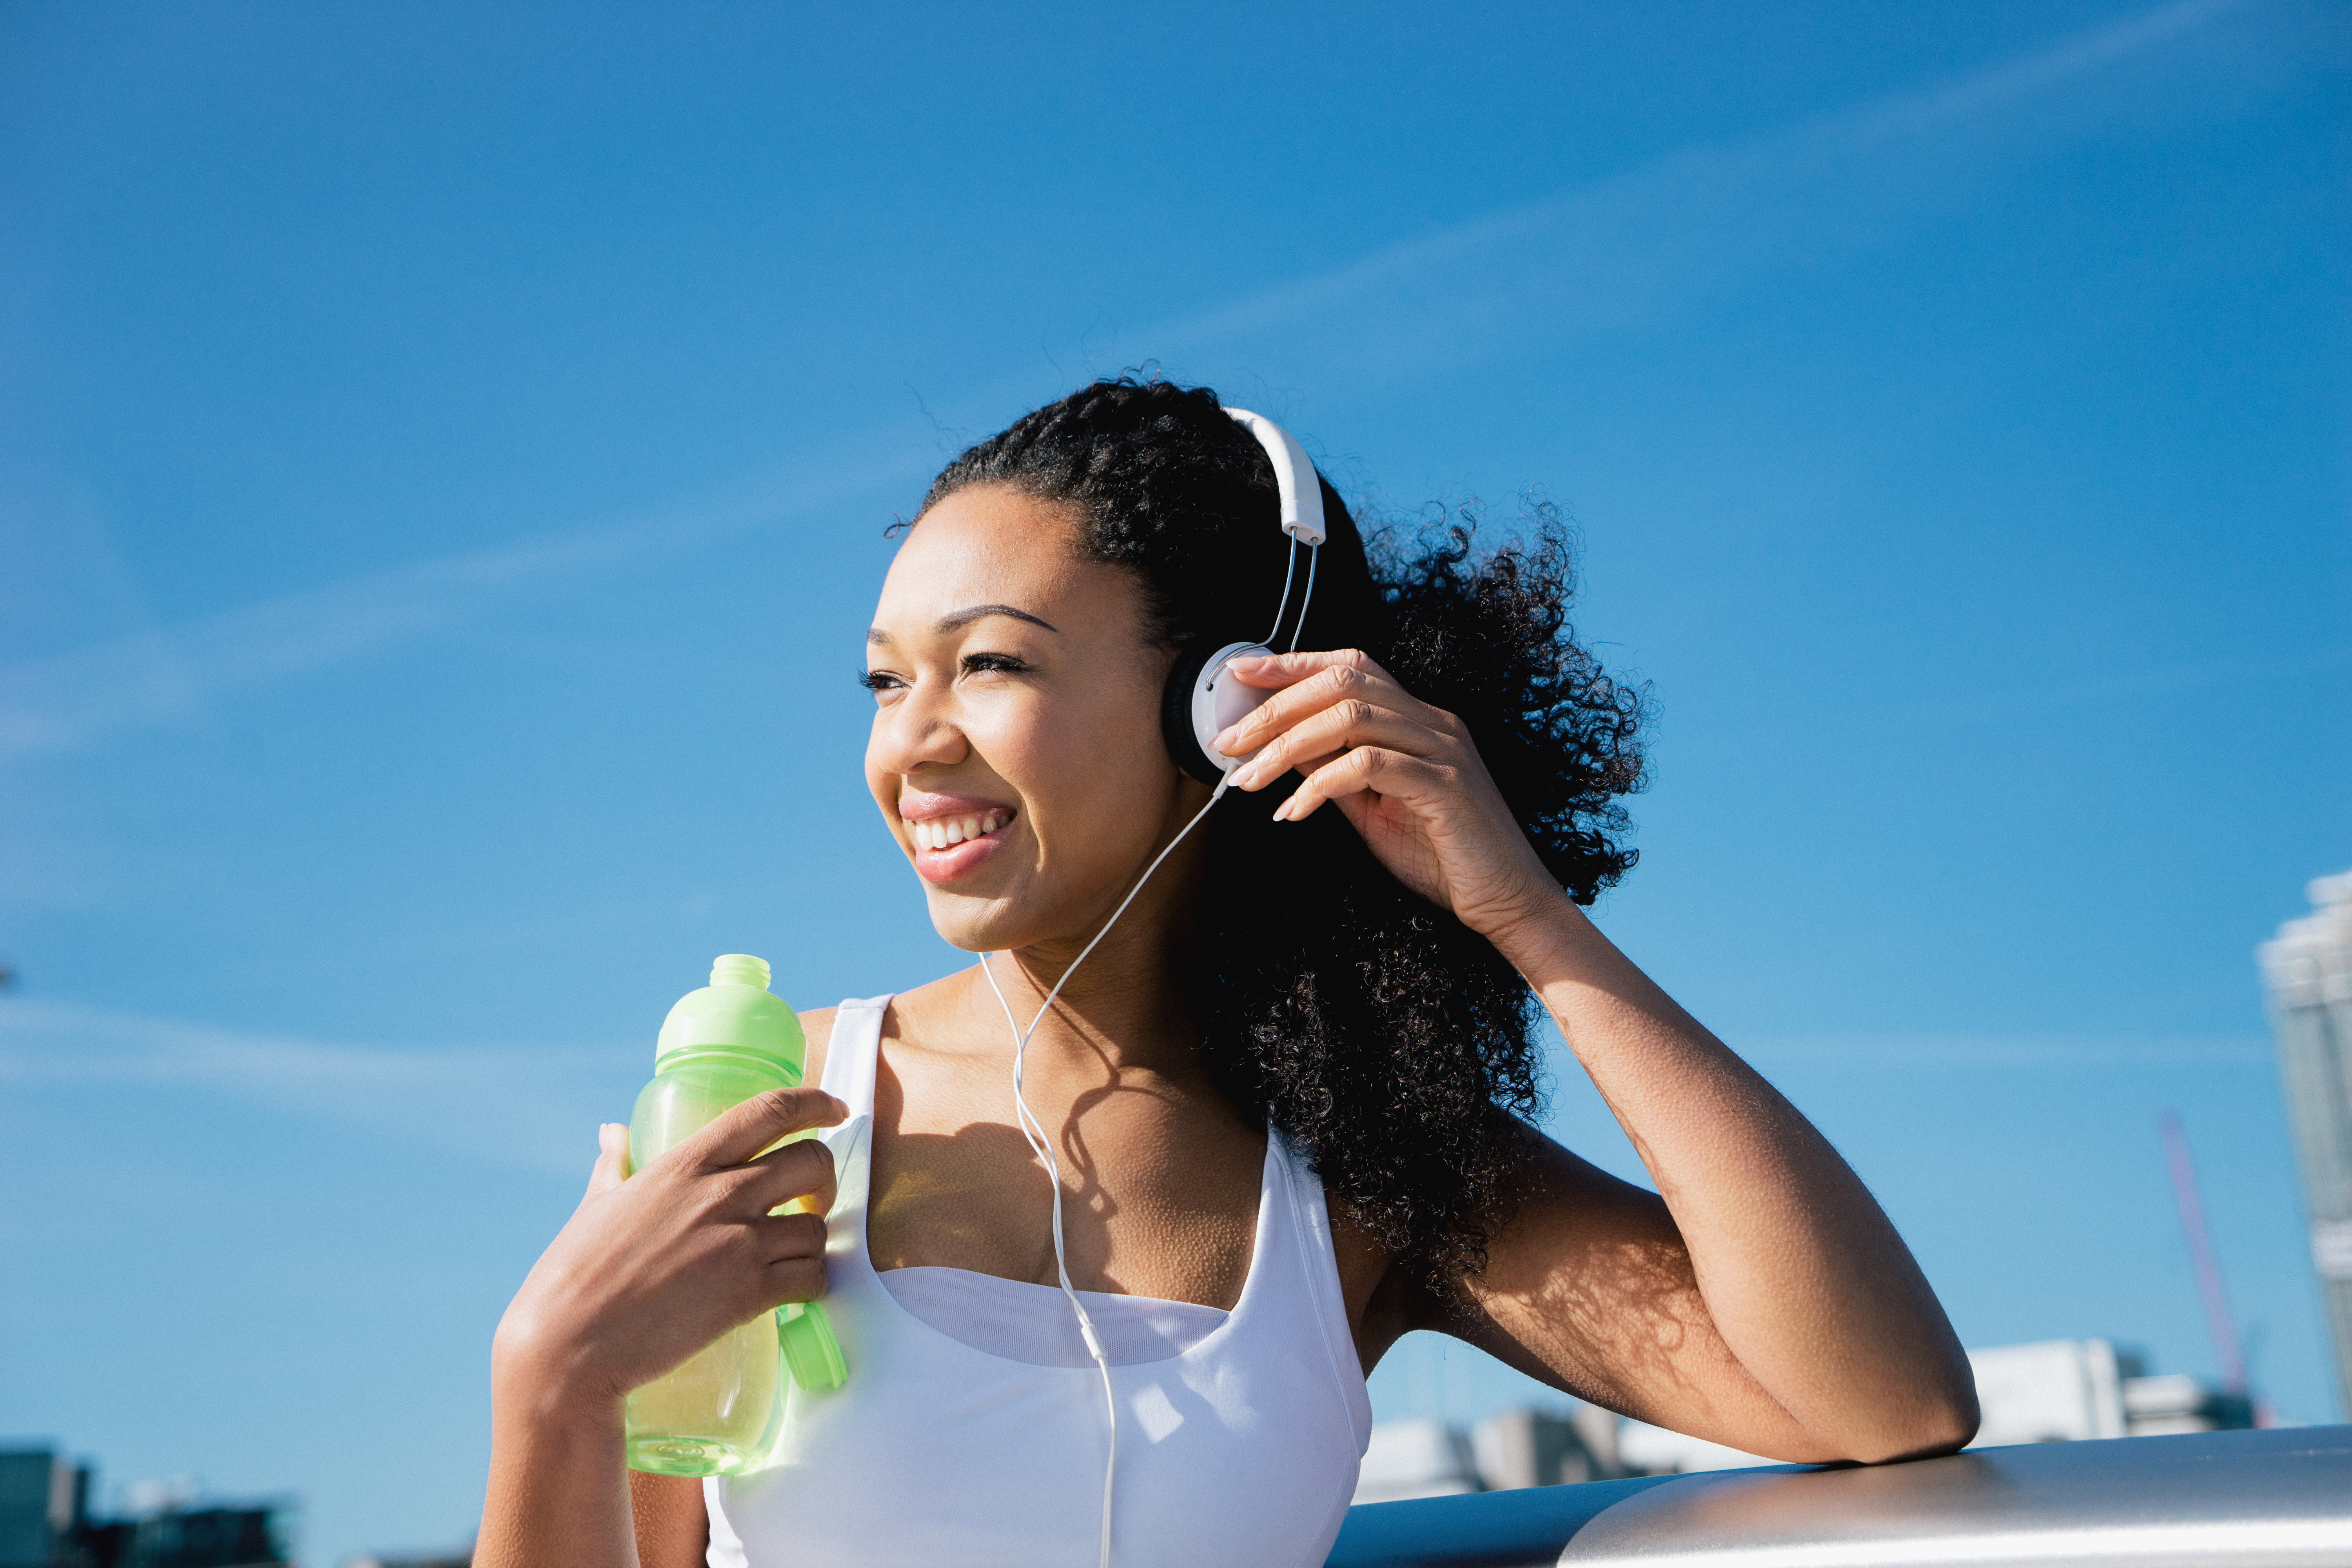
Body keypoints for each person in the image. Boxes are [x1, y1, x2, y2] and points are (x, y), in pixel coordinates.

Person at [478, 379, 1978, 1568]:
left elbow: (1887, 1400)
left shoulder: (1367, 1179)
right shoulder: (775, 1106)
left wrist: (1522, 913)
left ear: (1225, 708)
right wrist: (551, 1378)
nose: (912, 746)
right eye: (887, 680)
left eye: (989, 666)